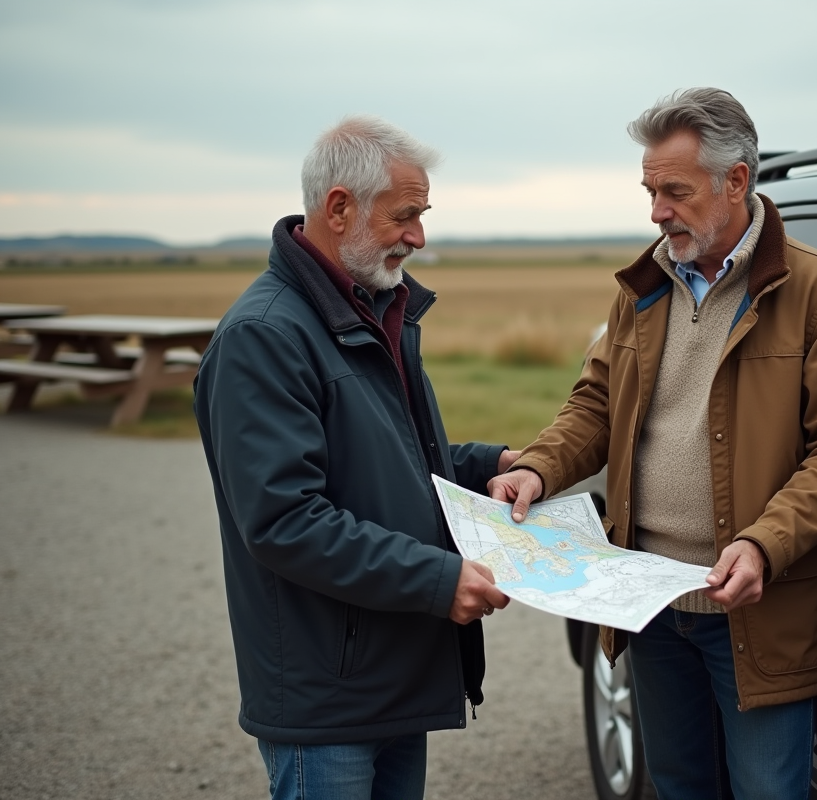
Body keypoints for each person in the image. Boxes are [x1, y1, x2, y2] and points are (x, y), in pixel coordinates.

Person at [488, 88, 817, 800]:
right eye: (649, 190)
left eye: (673, 191)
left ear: (736, 181)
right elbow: (597, 403)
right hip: (649, 605)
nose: (656, 211)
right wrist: (539, 470)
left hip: (758, 613)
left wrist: (764, 544)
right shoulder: (644, 286)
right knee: (678, 787)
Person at [194, 115, 513, 800]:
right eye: (406, 216)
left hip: (394, 673)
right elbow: (285, 520)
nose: (419, 237)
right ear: (339, 208)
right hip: (328, 698)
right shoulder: (265, 336)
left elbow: (396, 462)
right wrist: (437, 580)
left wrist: (493, 464)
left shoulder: (373, 311)